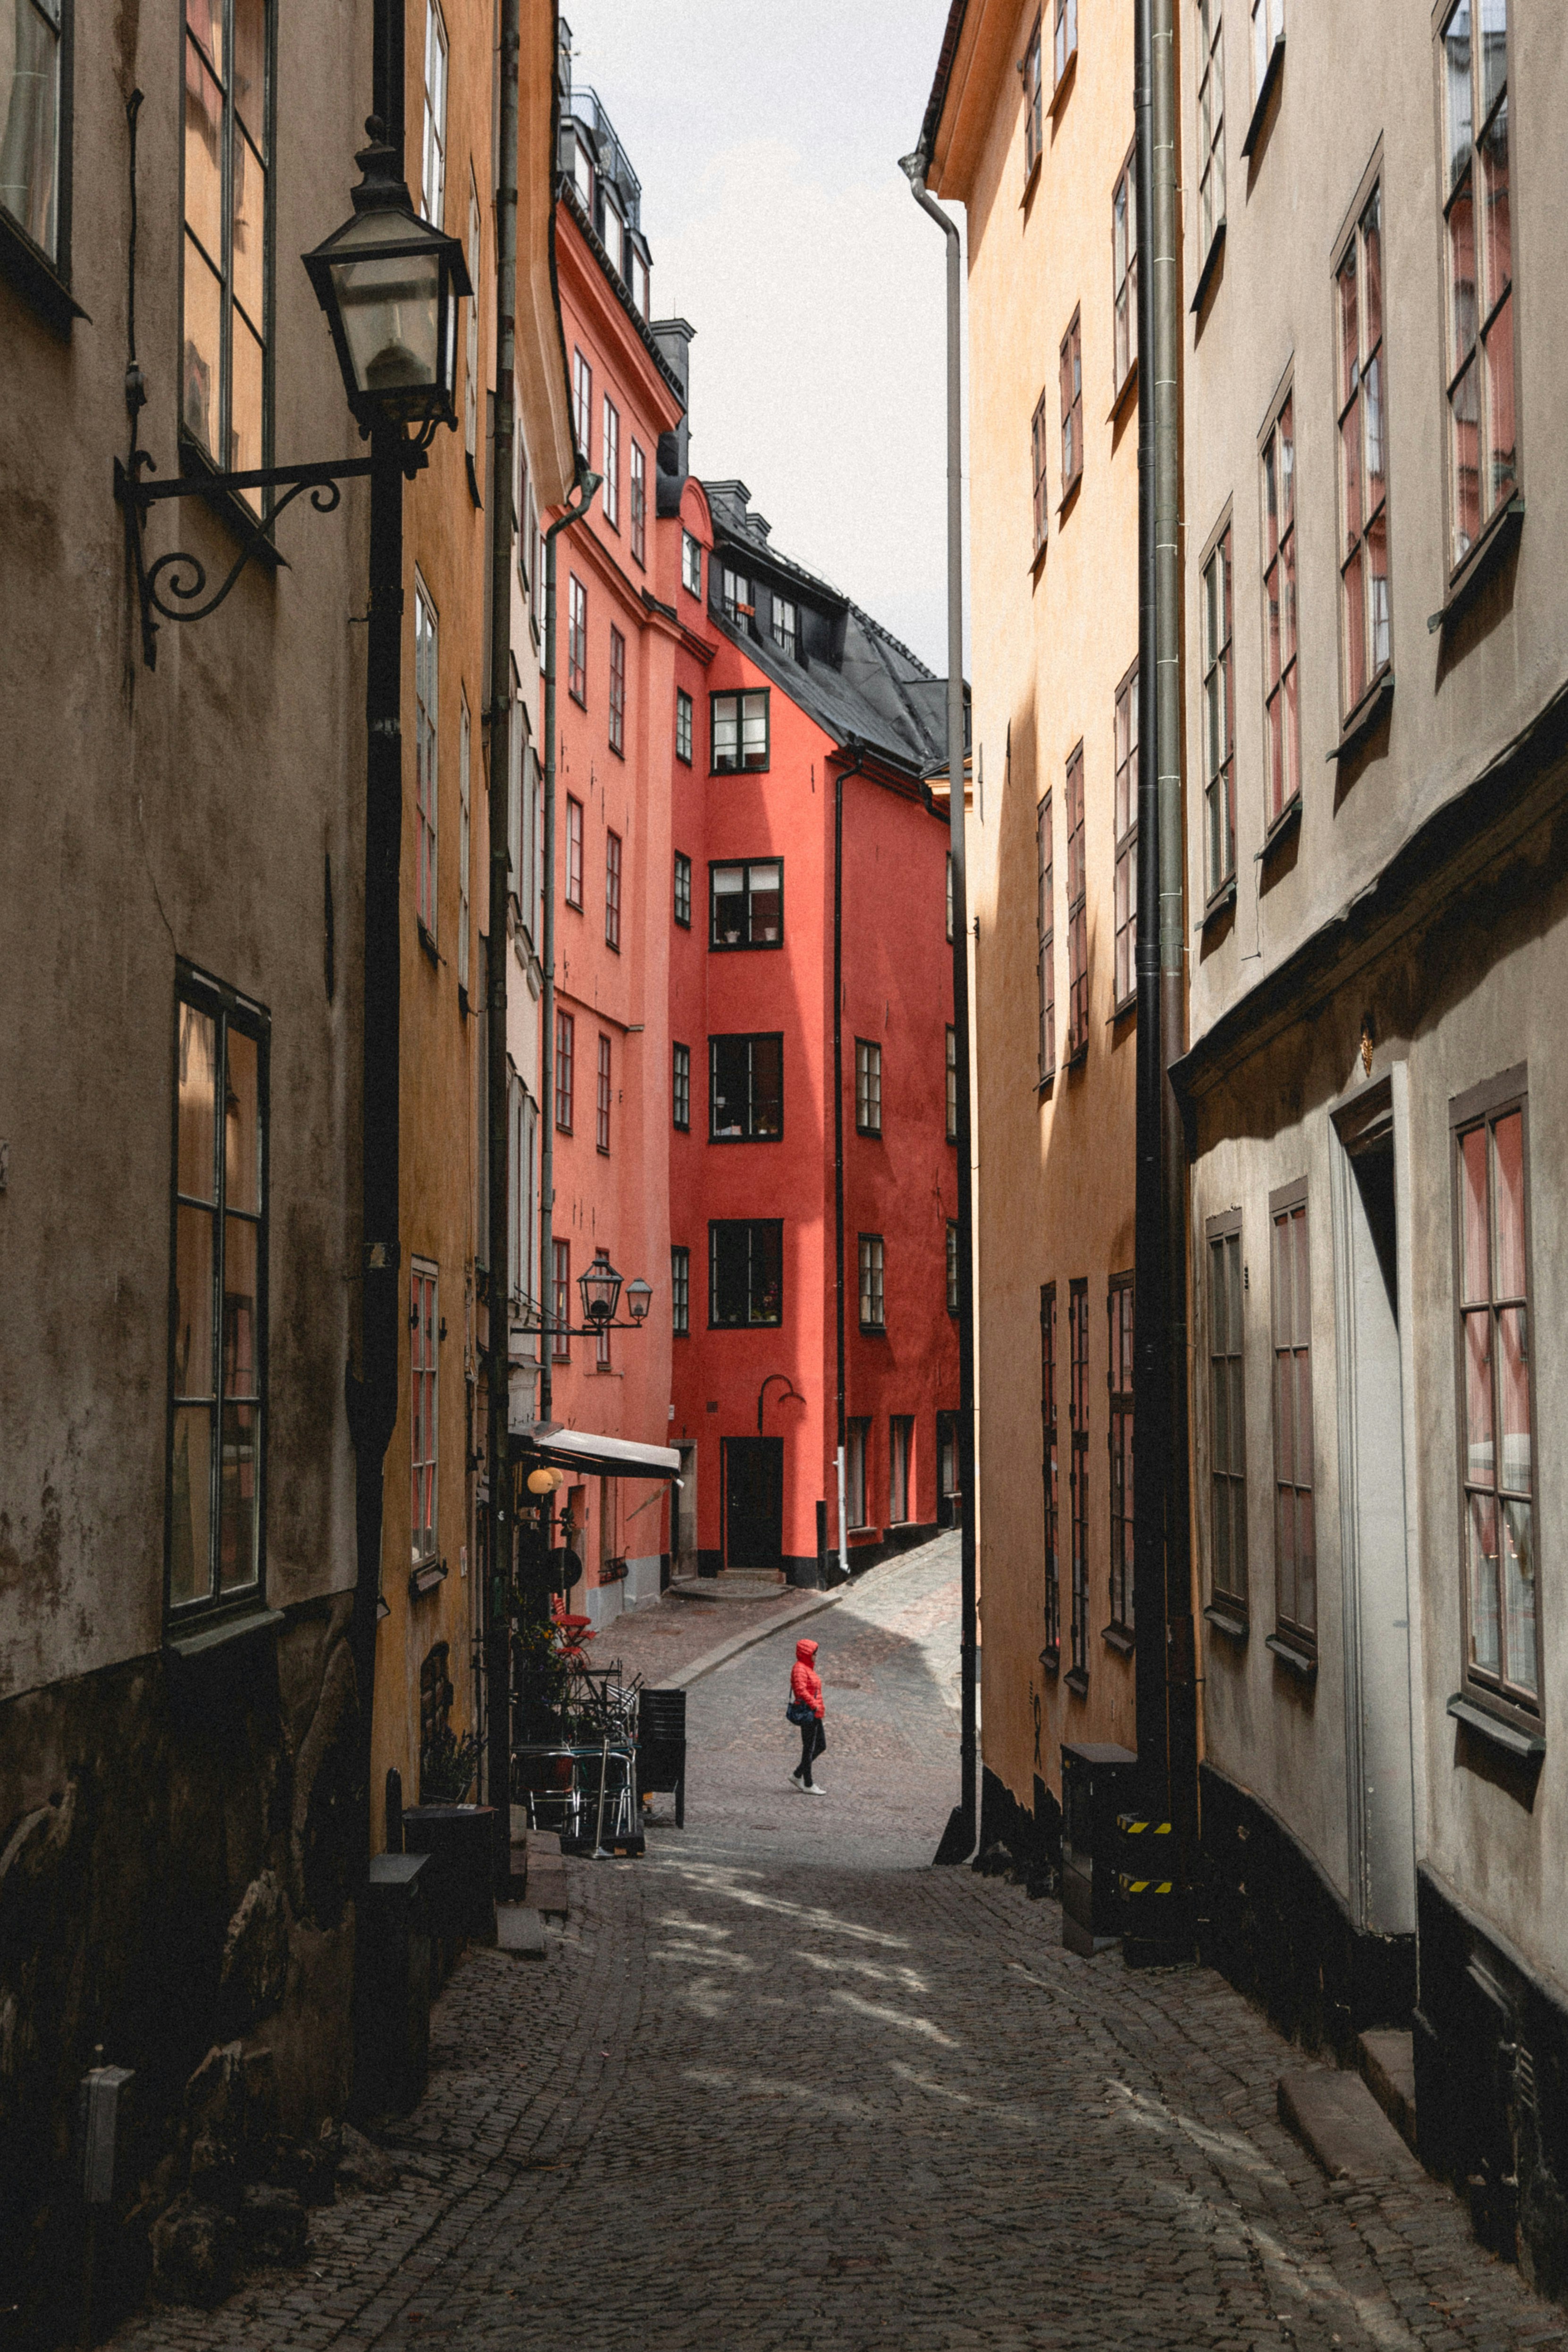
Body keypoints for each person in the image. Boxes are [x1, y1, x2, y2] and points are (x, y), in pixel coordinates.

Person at [788, 1636, 827, 1794]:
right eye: (814, 1653)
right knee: (809, 1748)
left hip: (815, 1713)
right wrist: (815, 1705)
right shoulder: (800, 1669)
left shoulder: (807, 1668)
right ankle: (808, 1784)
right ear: (806, 1653)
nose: (816, 1656)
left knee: (820, 1746)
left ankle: (798, 1775)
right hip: (808, 1712)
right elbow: (801, 1691)